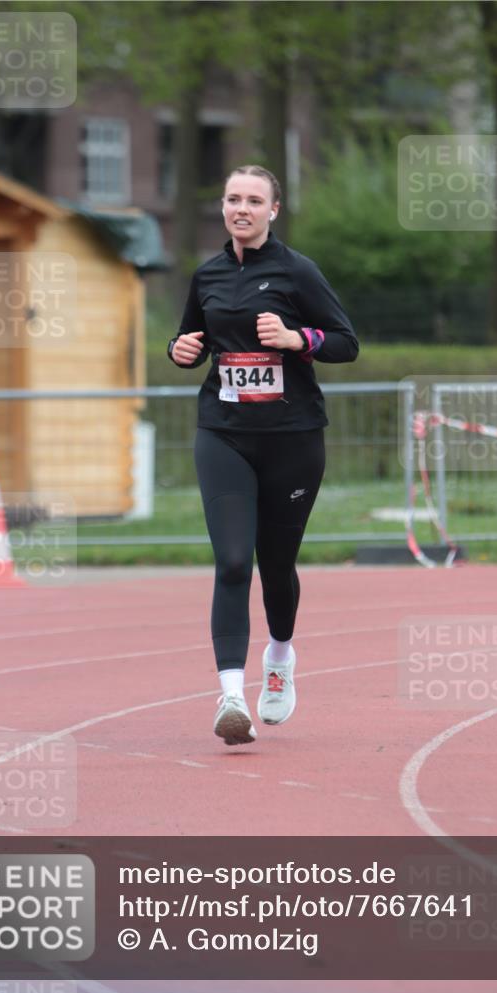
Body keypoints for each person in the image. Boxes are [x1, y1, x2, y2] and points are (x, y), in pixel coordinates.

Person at [168, 165, 358, 746]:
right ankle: (231, 696)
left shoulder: (297, 271)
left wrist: (299, 339)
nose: (241, 209)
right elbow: (190, 344)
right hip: (223, 432)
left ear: (273, 210)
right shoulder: (208, 275)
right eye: (232, 199)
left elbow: (346, 343)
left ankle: (279, 654)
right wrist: (179, 350)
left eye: (254, 200)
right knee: (231, 562)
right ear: (222, 209)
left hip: (292, 439)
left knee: (275, 566)